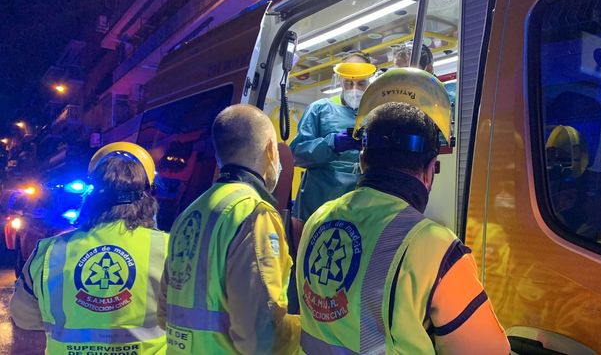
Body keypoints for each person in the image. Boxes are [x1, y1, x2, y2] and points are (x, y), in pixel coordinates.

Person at [296, 69, 509, 354]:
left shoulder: (317, 220)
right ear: (430, 170)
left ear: (362, 160)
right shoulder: (435, 246)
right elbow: (488, 351)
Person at [161, 105, 299, 354]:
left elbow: (164, 313)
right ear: (270, 149)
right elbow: (259, 334)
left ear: (218, 155)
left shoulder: (190, 213)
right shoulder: (254, 213)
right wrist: (307, 330)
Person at [10, 142, 169, 354]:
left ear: (91, 195)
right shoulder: (171, 249)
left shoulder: (49, 252)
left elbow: (24, 323)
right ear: (149, 196)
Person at [290, 51, 377, 221]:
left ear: (369, 81)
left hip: (360, 202)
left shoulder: (377, 114)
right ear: (340, 80)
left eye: (361, 83)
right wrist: (332, 144)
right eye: (348, 83)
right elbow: (296, 154)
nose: (354, 89)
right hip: (319, 199)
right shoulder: (319, 109)